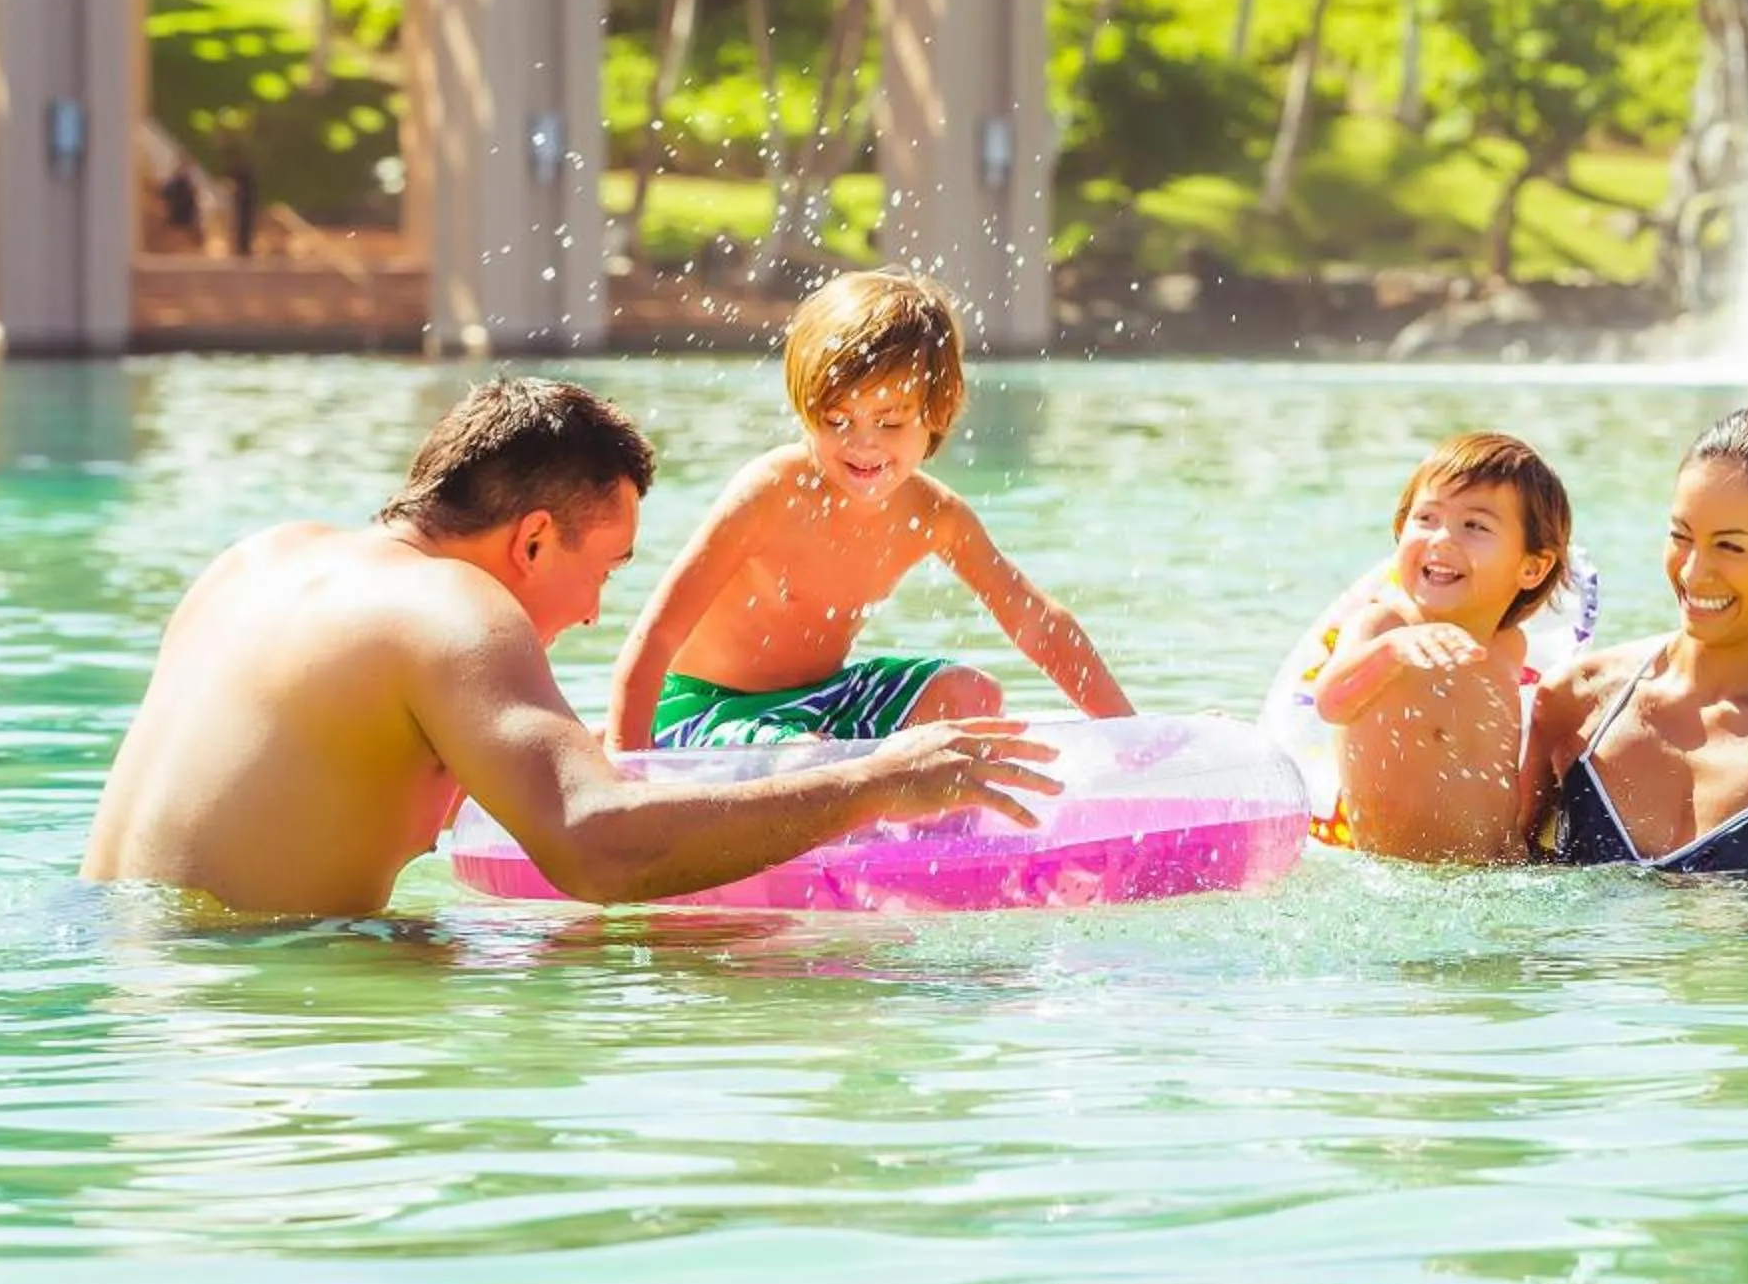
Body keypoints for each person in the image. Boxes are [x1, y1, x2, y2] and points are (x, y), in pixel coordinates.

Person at [82, 377, 1056, 919]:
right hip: (261, 1008)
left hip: (127, 986)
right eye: (605, 569)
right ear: (534, 539)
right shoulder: (455, 610)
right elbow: (598, 850)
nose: (594, 612)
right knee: (752, 967)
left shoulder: (259, 560)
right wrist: (877, 780)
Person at [603, 270, 1133, 751]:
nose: (863, 444)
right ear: (806, 410)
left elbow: (1035, 622)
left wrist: (1127, 733)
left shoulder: (934, 514)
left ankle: (920, 820)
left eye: (890, 422)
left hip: (828, 700)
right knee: (804, 756)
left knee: (972, 697)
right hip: (709, 710)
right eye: (837, 420)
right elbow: (656, 637)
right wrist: (626, 772)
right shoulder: (770, 493)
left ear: (936, 414)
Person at [1524, 405, 1748, 876]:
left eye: (1730, 546)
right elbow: (1492, 872)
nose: (1693, 573)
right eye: (1681, 536)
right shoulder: (1576, 699)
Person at [1309, 433, 1574, 864]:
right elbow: (1329, 704)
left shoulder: (1508, 646)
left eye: (1475, 526)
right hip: (1409, 877)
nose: (1442, 539)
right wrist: (1390, 652)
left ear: (1532, 567)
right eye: (1426, 518)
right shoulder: (1384, 626)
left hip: (1499, 872)